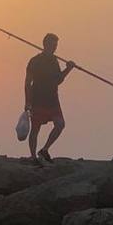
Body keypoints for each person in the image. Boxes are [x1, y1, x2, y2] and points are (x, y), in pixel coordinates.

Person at [24, 33, 75, 165]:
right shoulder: (35, 61)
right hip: (38, 100)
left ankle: (44, 149)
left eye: (56, 45)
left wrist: (68, 69)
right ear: (45, 44)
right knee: (35, 129)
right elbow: (27, 83)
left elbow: (58, 80)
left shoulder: (54, 61)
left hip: (52, 100)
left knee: (60, 124)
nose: (54, 48)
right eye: (52, 45)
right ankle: (33, 156)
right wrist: (28, 102)